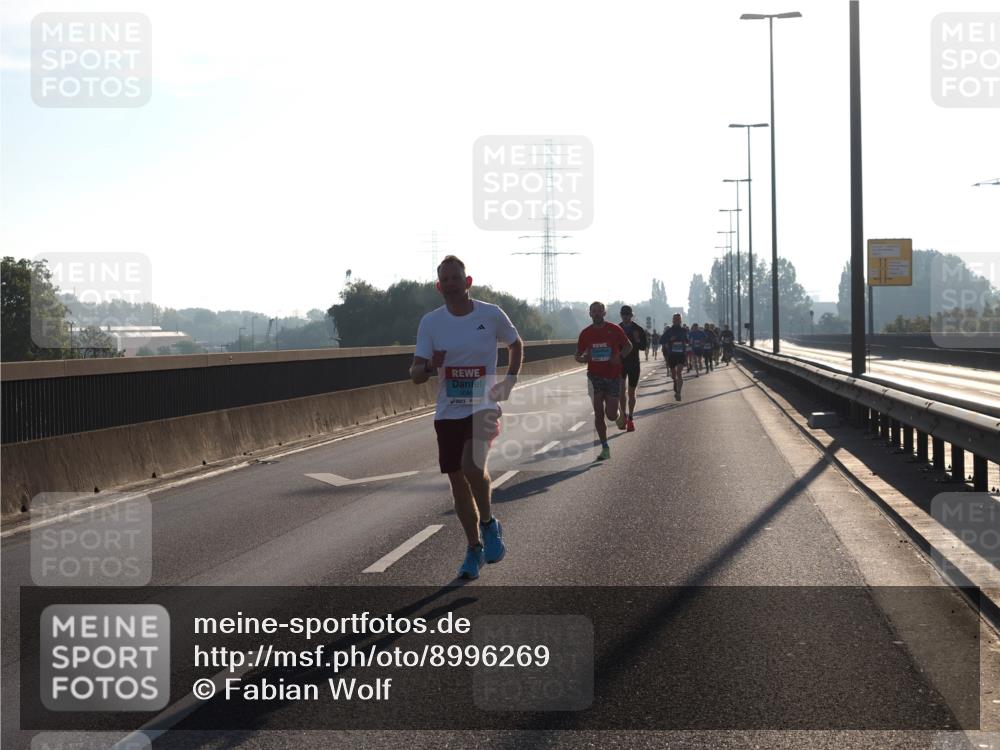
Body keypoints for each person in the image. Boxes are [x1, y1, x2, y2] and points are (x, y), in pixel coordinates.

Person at [411, 255, 524, 580]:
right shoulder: (431, 323)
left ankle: (488, 524)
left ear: (467, 281)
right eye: (444, 280)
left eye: (455, 278)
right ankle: (473, 548)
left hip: (483, 406)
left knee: (473, 466)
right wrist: (431, 366)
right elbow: (416, 374)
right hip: (448, 412)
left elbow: (516, 344)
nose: (450, 284)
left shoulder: (490, 314)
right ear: (438, 286)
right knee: (458, 481)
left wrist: (510, 380)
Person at [576, 302, 633, 460]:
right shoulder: (585, 333)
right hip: (594, 377)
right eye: (593, 311)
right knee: (598, 414)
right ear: (590, 314)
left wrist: (619, 357)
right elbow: (577, 355)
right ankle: (604, 447)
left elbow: (629, 346)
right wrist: (582, 359)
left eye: (599, 311)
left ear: (604, 313)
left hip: (613, 376)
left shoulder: (614, 329)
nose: (596, 314)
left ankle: (619, 413)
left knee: (611, 415)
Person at [616, 305, 647, 432]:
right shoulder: (617, 329)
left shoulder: (638, 329)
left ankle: (631, 417)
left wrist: (637, 339)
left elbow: (643, 347)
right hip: (621, 363)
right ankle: (623, 416)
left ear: (631, 315)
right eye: (624, 314)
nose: (626, 316)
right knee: (621, 390)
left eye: (628, 314)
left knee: (631, 392)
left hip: (634, 363)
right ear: (621, 315)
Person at [661, 313, 688, 400]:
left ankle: (678, 393)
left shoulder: (684, 330)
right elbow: (661, 340)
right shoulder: (669, 331)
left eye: (678, 319)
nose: (676, 321)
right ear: (672, 320)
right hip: (672, 355)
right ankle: (675, 381)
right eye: (675, 319)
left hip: (681, 354)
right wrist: (669, 340)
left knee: (679, 373)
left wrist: (687, 342)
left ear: (680, 320)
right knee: (674, 374)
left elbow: (688, 340)